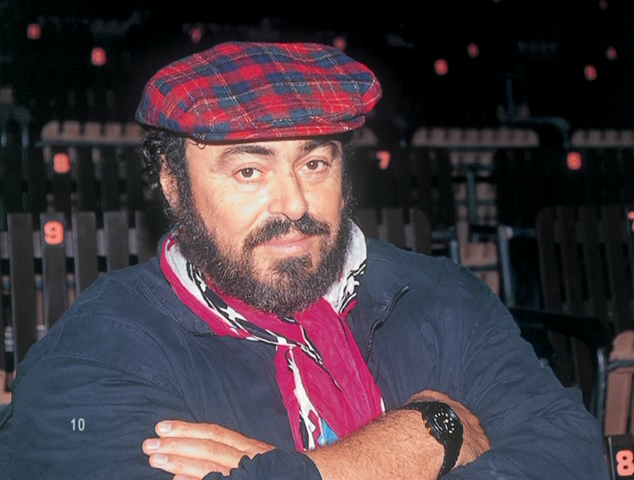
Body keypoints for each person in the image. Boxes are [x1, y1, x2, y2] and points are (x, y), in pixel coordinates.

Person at [0, 41, 608, 480]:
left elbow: (572, 453)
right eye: (249, 170)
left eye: (315, 163)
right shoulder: (97, 355)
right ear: (174, 183)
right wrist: (431, 433)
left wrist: (299, 471)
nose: (292, 203)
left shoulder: (442, 297)